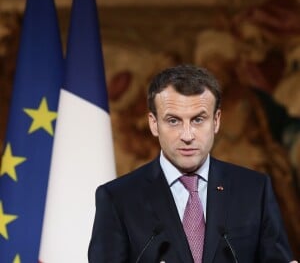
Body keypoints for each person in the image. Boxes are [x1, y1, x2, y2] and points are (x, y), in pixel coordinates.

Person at [88, 65, 296, 262]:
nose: (187, 136)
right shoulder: (118, 199)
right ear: (154, 124)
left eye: (198, 120)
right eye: (173, 121)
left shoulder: (254, 190)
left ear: (216, 121)